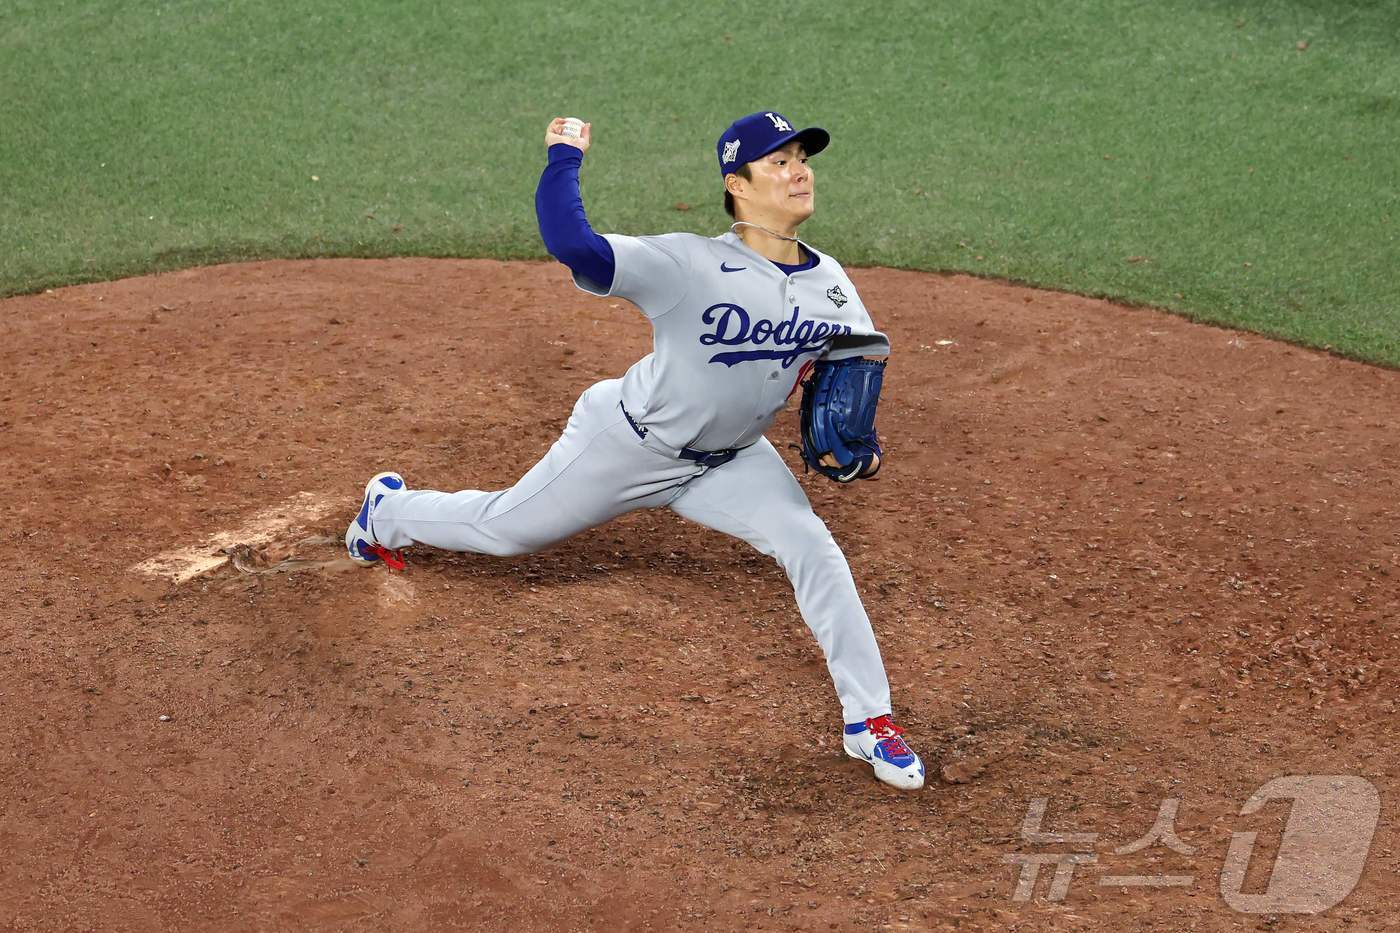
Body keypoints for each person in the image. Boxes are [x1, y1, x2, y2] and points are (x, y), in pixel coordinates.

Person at [345, 111, 924, 790]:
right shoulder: (689, 263)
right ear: (737, 184)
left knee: (814, 548)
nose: (799, 172)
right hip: (629, 444)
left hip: (733, 460)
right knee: (505, 530)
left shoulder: (833, 284)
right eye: (779, 162)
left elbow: (850, 366)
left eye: (802, 158)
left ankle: (869, 721)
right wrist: (564, 157)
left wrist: (859, 446)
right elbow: (576, 246)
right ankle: (385, 512)